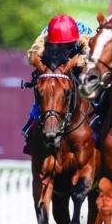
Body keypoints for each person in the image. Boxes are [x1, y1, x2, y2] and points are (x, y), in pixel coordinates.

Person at [21, 14, 94, 151]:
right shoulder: (46, 33)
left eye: (67, 46)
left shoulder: (84, 32)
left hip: (79, 72)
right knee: (44, 93)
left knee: (96, 94)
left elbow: (94, 56)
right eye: (58, 45)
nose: (63, 49)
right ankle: (31, 125)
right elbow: (32, 55)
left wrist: (78, 61)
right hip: (54, 70)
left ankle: (99, 124)